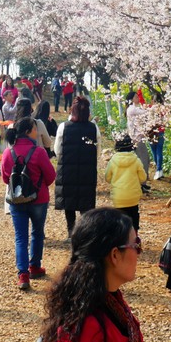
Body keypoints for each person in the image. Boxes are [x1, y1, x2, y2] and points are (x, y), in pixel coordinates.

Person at [41, 207, 144, 342]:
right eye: (136, 245)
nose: (139, 253)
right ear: (115, 255)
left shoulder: (110, 300)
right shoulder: (86, 328)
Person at [1, 118, 56, 290]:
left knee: (20, 238)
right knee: (37, 233)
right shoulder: (38, 152)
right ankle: (35, 266)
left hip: (17, 200)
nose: (36, 132)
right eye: (34, 129)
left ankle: (23, 275)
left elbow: (5, 178)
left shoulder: (8, 152)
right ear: (27, 132)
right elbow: (51, 176)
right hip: (38, 199)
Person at [54, 96, 101, 237]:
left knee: (69, 202)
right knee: (86, 203)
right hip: (87, 170)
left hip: (67, 170)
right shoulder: (93, 128)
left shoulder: (64, 127)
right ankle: (85, 233)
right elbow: (97, 151)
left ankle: (71, 232)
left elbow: (57, 150)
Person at [105, 135, 146, 231]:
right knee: (134, 217)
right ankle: (135, 237)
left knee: (120, 219)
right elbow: (143, 178)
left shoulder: (113, 161)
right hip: (133, 197)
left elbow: (107, 178)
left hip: (118, 197)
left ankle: (121, 240)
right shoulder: (136, 160)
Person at [125, 91, 151, 191]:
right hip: (137, 138)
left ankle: (141, 182)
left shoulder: (133, 109)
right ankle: (141, 183)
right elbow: (146, 112)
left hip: (137, 138)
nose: (138, 98)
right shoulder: (132, 109)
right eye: (136, 97)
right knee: (144, 160)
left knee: (142, 160)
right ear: (131, 99)